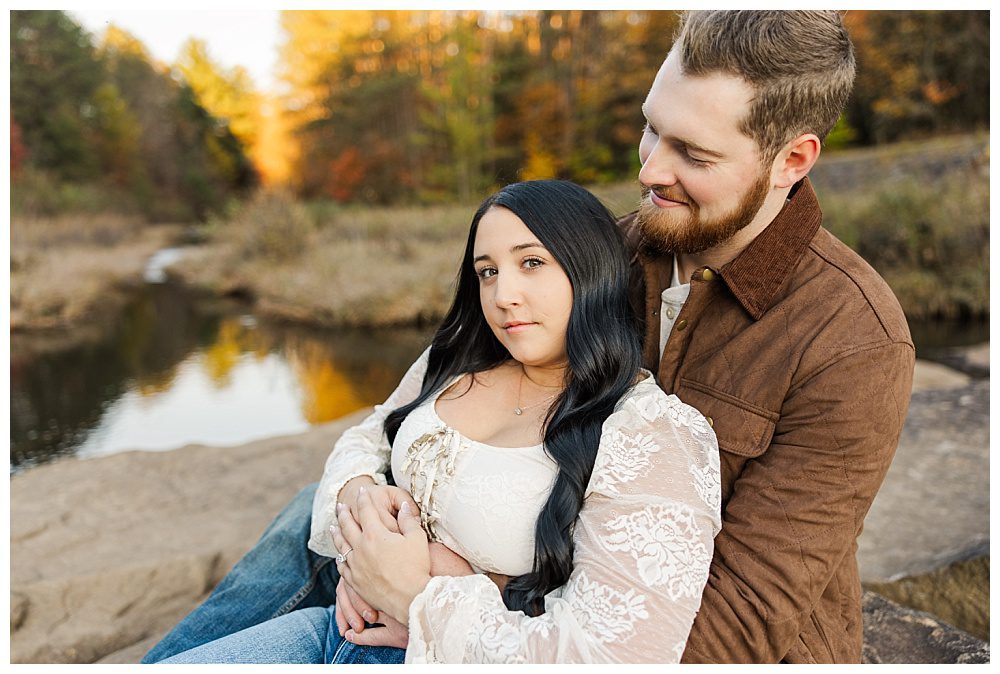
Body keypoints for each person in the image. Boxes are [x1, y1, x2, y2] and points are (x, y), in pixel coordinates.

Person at [144, 9, 914, 665]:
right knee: (315, 514)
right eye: (651, 129)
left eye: (694, 154)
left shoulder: (853, 342)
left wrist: (445, 597)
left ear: (792, 160)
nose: (650, 167)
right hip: (503, 574)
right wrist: (368, 511)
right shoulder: (595, 256)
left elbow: (735, 624)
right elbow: (411, 401)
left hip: (623, 634)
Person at [157, 180, 721, 664]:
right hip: (342, 614)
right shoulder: (454, 361)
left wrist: (423, 598)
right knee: (298, 518)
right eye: (487, 271)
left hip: (437, 650)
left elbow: (611, 656)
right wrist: (360, 500)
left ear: (590, 270)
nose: (503, 295)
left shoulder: (650, 434)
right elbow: (369, 434)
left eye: (531, 263)